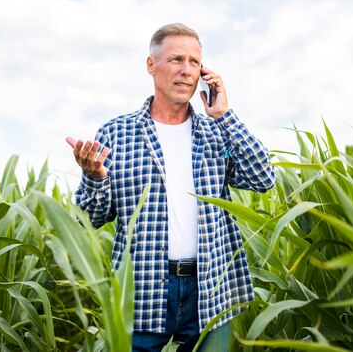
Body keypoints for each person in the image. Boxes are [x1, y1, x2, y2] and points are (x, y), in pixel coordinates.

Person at [66, 23, 276, 351]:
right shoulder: (116, 133)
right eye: (177, 59)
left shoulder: (216, 132)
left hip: (210, 289)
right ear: (151, 66)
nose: (186, 70)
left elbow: (263, 178)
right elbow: (89, 218)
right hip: (141, 289)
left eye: (195, 62)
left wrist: (224, 115)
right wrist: (94, 177)